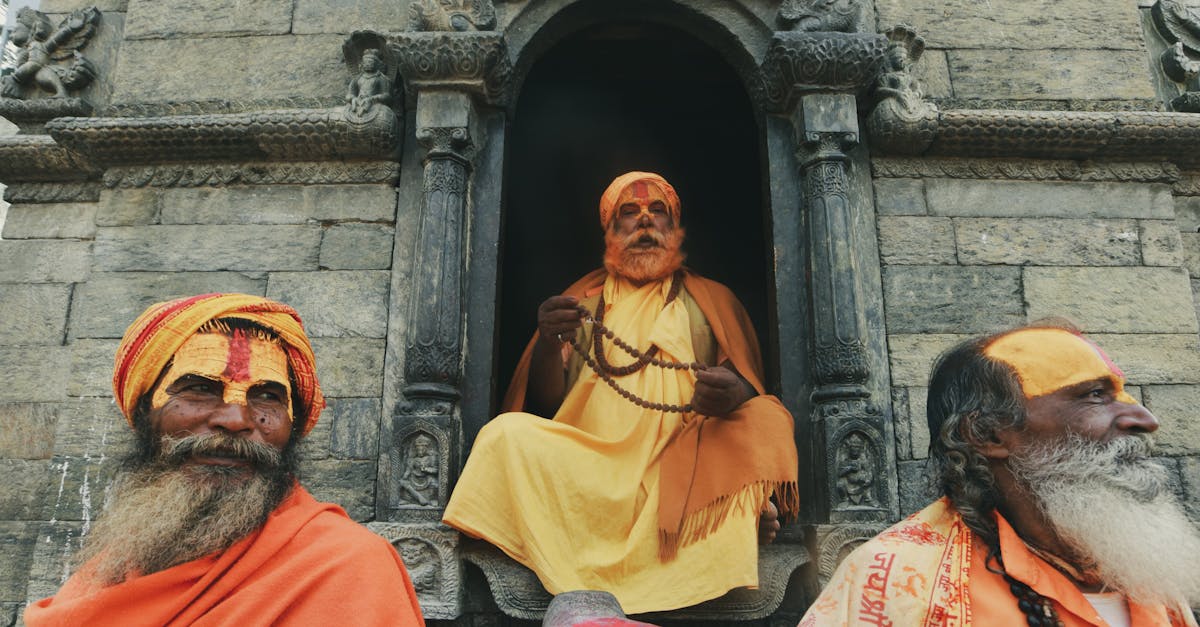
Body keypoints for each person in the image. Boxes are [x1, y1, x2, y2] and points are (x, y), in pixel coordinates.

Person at [443, 171, 799, 613]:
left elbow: (746, 383)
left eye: (658, 214)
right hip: (589, 467)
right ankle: (737, 520)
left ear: (675, 230)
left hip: (680, 469)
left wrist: (736, 392)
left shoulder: (712, 300)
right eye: (629, 214)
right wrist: (549, 340)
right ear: (610, 233)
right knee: (503, 436)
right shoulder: (582, 303)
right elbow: (547, 404)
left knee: (765, 417)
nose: (645, 223)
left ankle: (740, 509)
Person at [25, 293, 425, 626]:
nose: (236, 420)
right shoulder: (110, 568)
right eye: (199, 389)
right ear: (145, 412)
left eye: (267, 396)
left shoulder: (345, 567)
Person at [801, 323, 1200, 626]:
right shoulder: (894, 578)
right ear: (987, 433)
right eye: (1094, 395)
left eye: (1121, 395)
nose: (1146, 419)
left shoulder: (1144, 570)